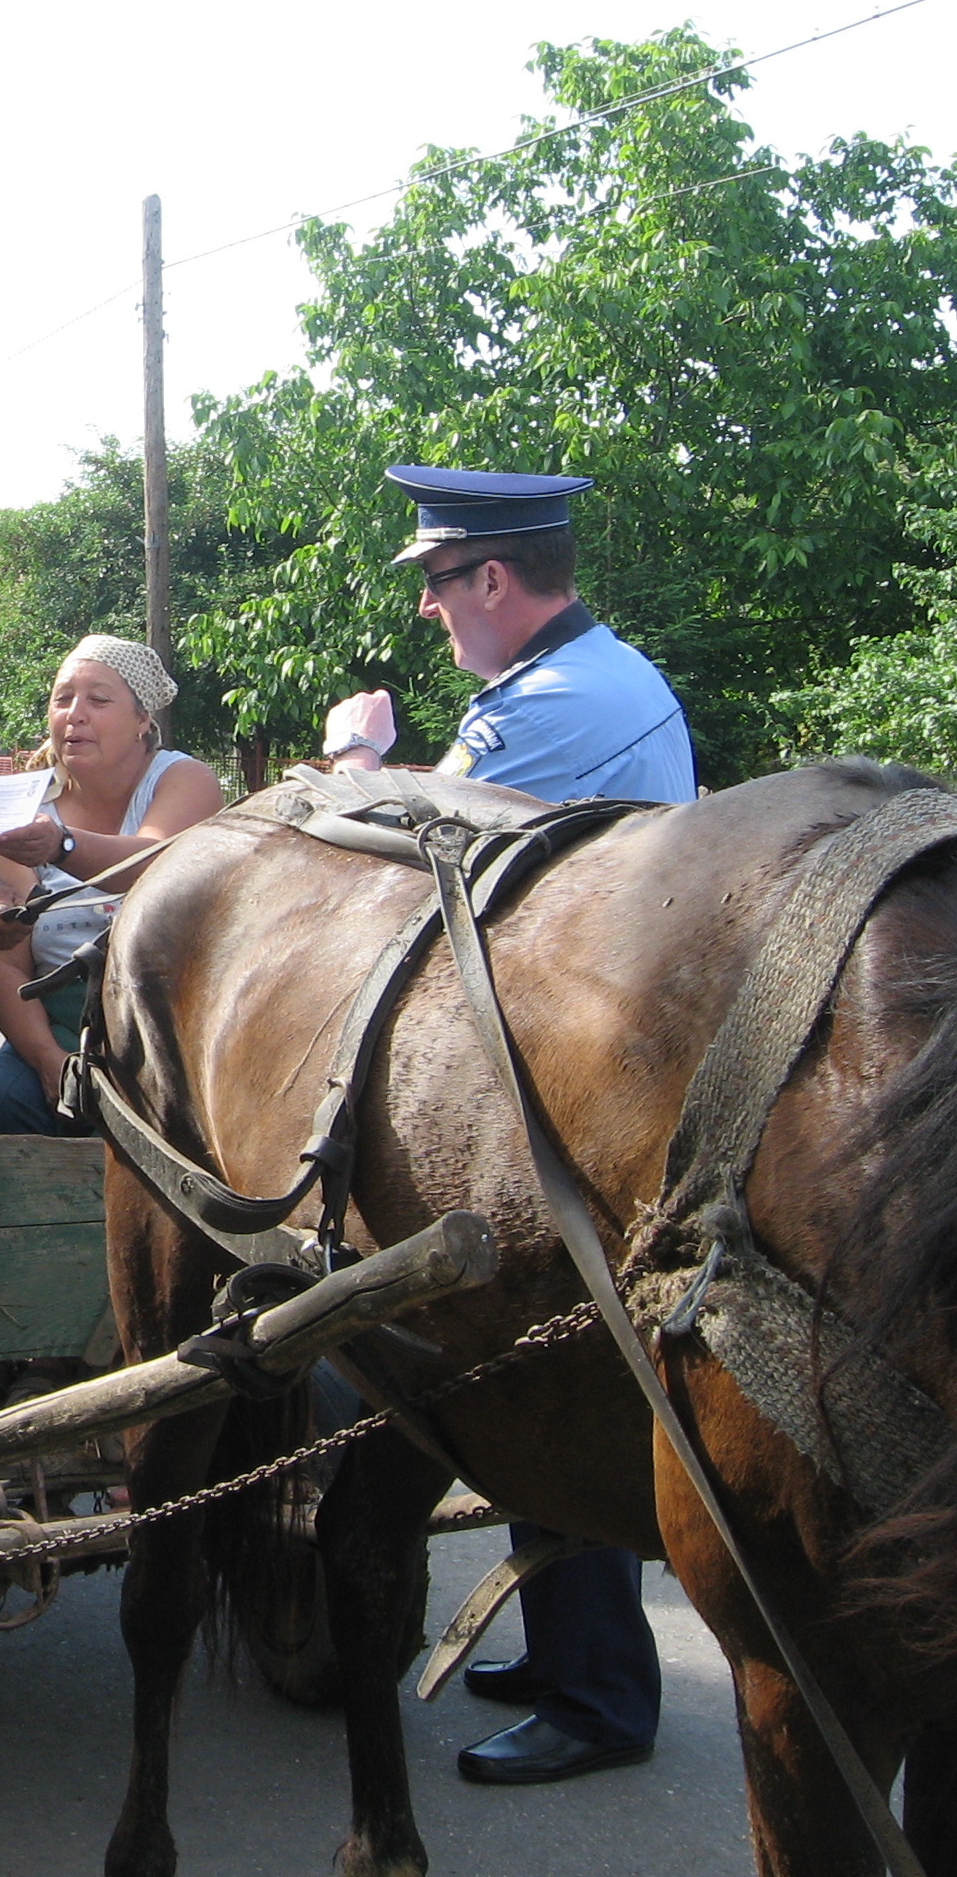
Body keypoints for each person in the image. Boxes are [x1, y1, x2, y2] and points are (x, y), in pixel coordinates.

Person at [323, 463, 694, 1791]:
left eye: (437, 582)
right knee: (530, 1354)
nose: (428, 609)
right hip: (579, 1054)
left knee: (553, 1358)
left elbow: (379, 842)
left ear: (492, 578)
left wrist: (360, 754)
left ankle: (599, 1695)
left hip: (581, 1076)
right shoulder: (577, 684)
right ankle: (567, 1659)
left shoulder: (564, 705)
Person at [0, 635, 223, 1136]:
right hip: (62, 1018)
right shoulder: (25, 811)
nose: (76, 714)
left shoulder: (183, 779)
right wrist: (50, 1062)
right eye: (62, 698)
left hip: (169, 1017)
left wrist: (63, 846)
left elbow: (158, 860)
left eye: (99, 699)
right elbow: (5, 964)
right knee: (8, 1102)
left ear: (142, 721)